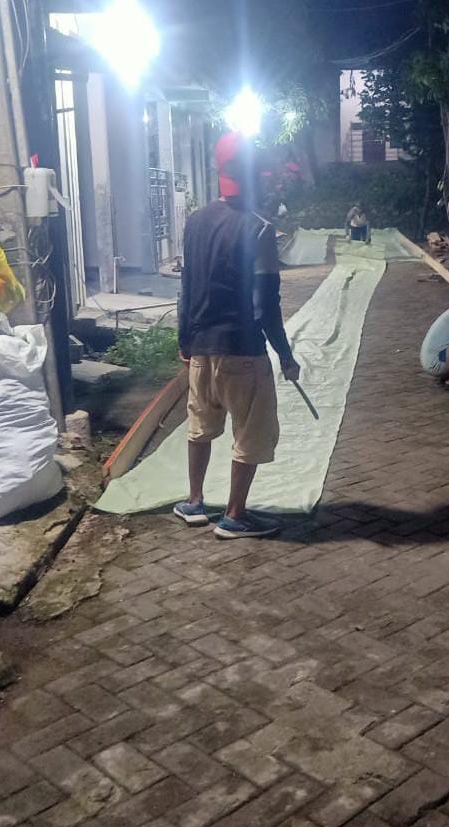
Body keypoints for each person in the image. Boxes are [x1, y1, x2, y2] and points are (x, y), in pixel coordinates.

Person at [174, 132, 301, 539]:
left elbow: (187, 288)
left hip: (201, 350)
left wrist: (185, 342)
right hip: (242, 351)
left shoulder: (195, 223)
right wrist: (285, 355)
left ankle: (194, 502)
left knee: (200, 426)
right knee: (250, 433)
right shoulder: (259, 228)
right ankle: (233, 516)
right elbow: (266, 304)